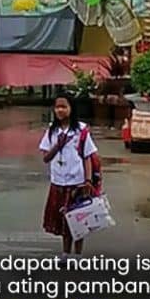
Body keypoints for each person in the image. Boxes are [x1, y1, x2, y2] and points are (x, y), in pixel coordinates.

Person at [39, 93, 97, 262]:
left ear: (71, 109)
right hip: (58, 182)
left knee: (79, 220)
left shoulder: (81, 131)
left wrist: (87, 180)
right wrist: (58, 145)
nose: (60, 110)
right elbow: (45, 157)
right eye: (57, 107)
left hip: (77, 183)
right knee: (63, 221)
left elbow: (87, 157)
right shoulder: (52, 131)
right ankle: (65, 254)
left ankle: (78, 255)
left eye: (64, 106)